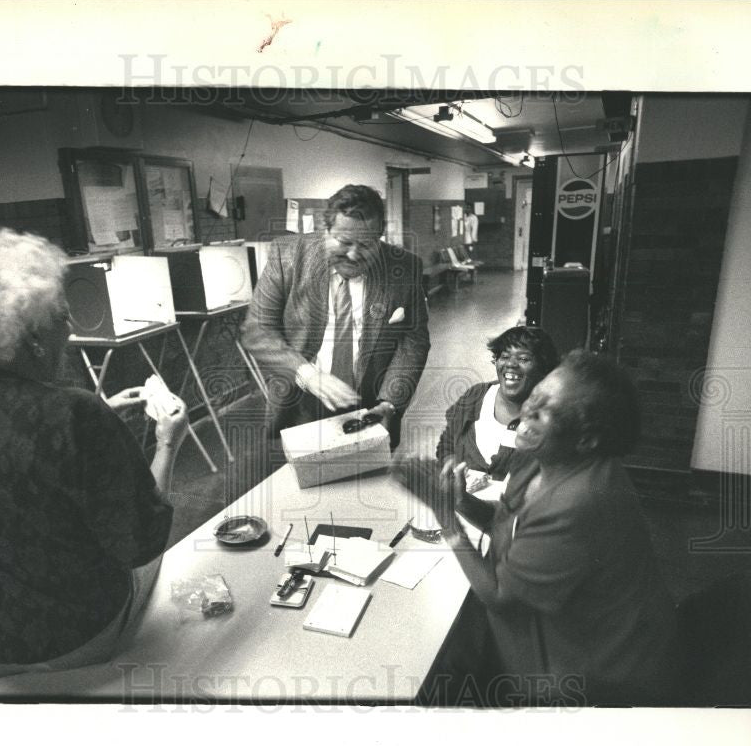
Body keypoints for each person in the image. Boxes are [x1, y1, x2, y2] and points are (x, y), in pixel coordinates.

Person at [0, 229, 189, 677]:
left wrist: (97, 414)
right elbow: (140, 542)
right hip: (66, 639)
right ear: (33, 339)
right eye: (64, 317)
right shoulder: (73, 414)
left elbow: (9, 444)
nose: (70, 329)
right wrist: (168, 442)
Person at [396, 350, 677, 706]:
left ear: (586, 439)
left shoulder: (580, 502)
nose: (526, 412)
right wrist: (459, 501)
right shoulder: (542, 452)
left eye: (543, 412)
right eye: (534, 398)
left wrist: (445, 518)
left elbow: (499, 596)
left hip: (597, 672)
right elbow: (508, 520)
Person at [241, 184, 430, 449]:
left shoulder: (404, 266)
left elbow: (413, 341)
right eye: (343, 242)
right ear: (325, 230)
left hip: (371, 410)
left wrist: (389, 403)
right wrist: (307, 374)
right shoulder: (287, 256)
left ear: (380, 236)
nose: (353, 254)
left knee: (369, 487)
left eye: (366, 244)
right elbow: (257, 330)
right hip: (299, 403)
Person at [436, 326, 558, 484]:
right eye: (504, 356)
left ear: (543, 368)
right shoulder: (475, 397)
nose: (511, 364)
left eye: (523, 359)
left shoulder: (549, 415)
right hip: (460, 504)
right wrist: (449, 460)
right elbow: (447, 441)